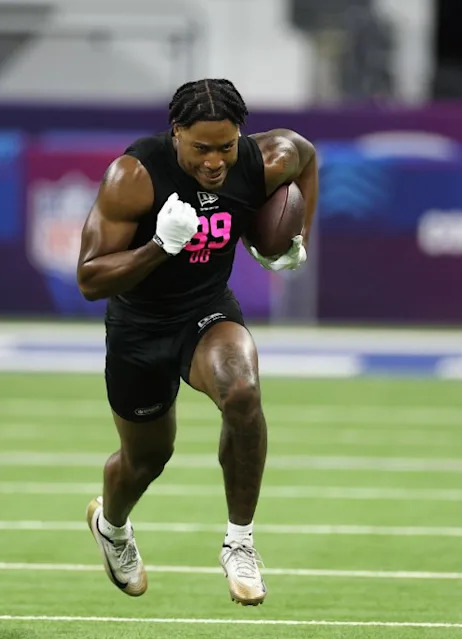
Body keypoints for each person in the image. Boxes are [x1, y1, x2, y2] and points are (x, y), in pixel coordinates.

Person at [76, 78, 317, 606]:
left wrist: (294, 241)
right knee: (146, 460)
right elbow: (91, 279)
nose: (214, 161)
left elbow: (305, 156)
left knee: (242, 392)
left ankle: (240, 542)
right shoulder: (133, 176)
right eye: (200, 148)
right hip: (139, 325)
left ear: (241, 137)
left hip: (205, 311)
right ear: (176, 132)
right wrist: (160, 247)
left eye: (226, 147)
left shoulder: (263, 157)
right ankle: (112, 527)